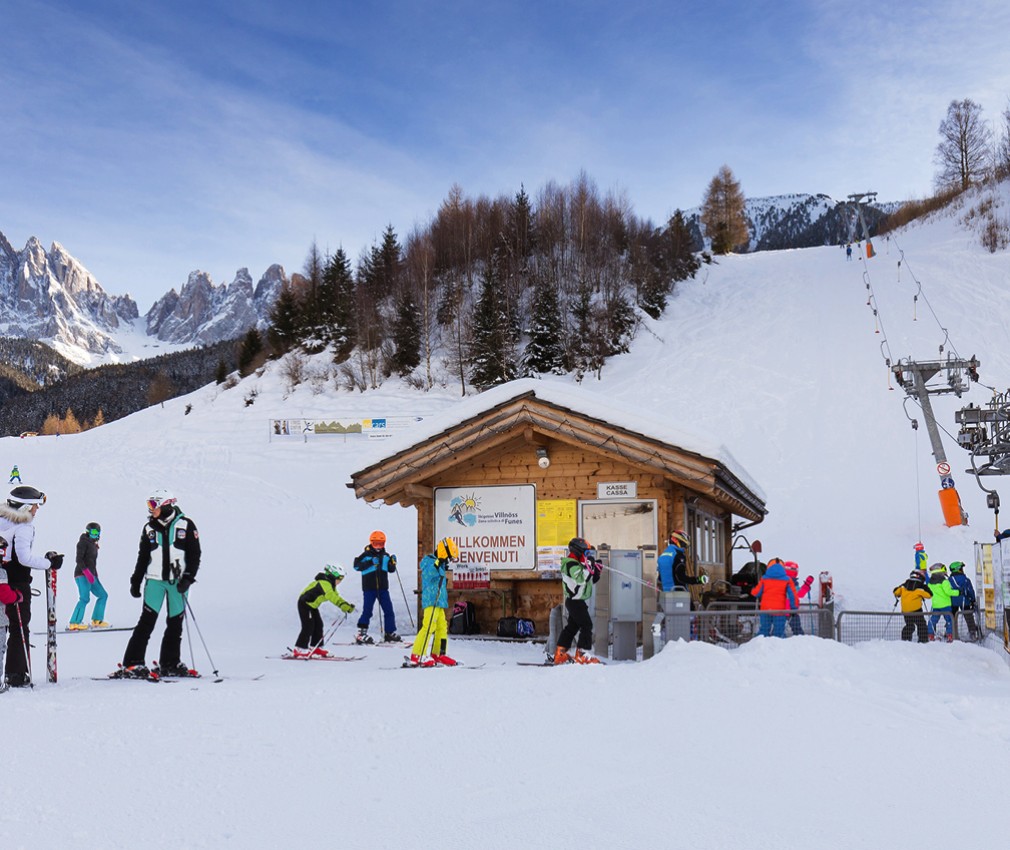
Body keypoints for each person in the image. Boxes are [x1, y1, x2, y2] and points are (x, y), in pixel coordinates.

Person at [117, 489, 201, 678]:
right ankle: (133, 663)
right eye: (149, 505)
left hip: (177, 582)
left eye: (153, 505)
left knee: (175, 624)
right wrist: (136, 580)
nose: (150, 509)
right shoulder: (149, 528)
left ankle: (170, 662)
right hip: (155, 581)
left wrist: (188, 578)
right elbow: (143, 556)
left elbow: (195, 555)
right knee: (146, 623)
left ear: (166, 505)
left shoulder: (186, 525)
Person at [0, 486, 63, 687]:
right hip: (16, 583)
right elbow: (24, 558)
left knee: (3, 626)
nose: (36, 510)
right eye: (35, 506)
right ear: (25, 507)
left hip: (1, 578)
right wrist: (49, 563)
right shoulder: (23, 526)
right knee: (19, 627)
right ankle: (16, 673)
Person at [408, 537, 461, 667]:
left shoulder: (440, 565)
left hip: (439, 601)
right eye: (448, 558)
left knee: (442, 626)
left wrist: (441, 564)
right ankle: (418, 654)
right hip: (431, 600)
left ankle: (439, 653)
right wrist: (438, 563)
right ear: (443, 553)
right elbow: (428, 575)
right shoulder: (429, 562)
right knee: (429, 626)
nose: (449, 561)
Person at [553, 537, 603, 664]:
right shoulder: (570, 564)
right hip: (574, 601)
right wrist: (589, 566)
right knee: (586, 625)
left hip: (577, 601)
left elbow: (588, 580)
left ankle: (560, 653)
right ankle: (582, 654)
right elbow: (581, 579)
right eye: (586, 552)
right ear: (578, 551)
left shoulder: (577, 563)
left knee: (572, 627)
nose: (587, 555)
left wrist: (595, 571)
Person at [292, 564, 356, 658]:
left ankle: (315, 647)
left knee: (319, 625)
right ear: (332, 576)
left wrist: (345, 604)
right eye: (339, 578)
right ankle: (299, 649)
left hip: (312, 606)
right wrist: (342, 605)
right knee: (308, 626)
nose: (340, 581)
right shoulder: (324, 583)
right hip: (305, 604)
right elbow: (331, 596)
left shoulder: (330, 585)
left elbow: (336, 596)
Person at [353, 530, 400, 644]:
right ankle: (361, 633)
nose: (378, 547)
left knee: (389, 610)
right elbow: (356, 566)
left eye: (381, 544)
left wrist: (392, 563)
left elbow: (391, 570)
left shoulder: (385, 556)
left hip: (383, 588)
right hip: (369, 588)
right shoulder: (365, 555)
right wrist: (370, 562)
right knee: (367, 611)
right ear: (371, 543)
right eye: (376, 544)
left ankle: (389, 633)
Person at [69, 522, 109, 630]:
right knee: (84, 598)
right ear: (88, 532)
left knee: (103, 595)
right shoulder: (82, 543)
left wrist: (94, 574)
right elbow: (79, 559)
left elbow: (92, 562)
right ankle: (74, 623)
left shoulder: (93, 544)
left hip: (92, 575)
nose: (95, 535)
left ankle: (97, 620)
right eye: (93, 532)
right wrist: (86, 572)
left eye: (97, 532)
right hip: (82, 575)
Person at [750, 560, 796, 637]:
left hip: (765, 609)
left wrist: (753, 590)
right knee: (779, 632)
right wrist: (794, 608)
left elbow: (756, 593)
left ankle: (761, 643)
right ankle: (778, 643)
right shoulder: (787, 580)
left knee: (764, 630)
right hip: (779, 610)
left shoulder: (764, 579)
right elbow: (793, 595)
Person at [893, 568, 932, 643]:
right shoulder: (920, 586)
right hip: (916, 610)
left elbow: (896, 592)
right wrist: (926, 588)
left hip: (905, 610)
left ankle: (905, 640)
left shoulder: (904, 585)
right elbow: (929, 595)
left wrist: (898, 590)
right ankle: (923, 640)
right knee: (921, 625)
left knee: (910, 625)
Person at [926, 563, 959, 642]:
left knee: (933, 620)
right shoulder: (944, 581)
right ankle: (950, 635)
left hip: (936, 605)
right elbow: (948, 592)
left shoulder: (930, 582)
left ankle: (930, 635)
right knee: (949, 620)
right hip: (945, 605)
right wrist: (958, 592)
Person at [947, 561, 980, 641]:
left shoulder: (949, 580)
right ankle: (972, 633)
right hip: (964, 601)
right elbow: (970, 590)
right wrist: (973, 600)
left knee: (952, 617)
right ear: (959, 569)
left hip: (952, 602)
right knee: (968, 617)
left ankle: (950, 633)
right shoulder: (965, 579)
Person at [784, 561, 814, 635]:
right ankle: (801, 640)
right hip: (792, 611)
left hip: (782, 611)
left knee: (779, 630)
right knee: (798, 631)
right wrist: (806, 585)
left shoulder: (782, 582)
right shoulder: (791, 584)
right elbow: (800, 594)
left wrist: (806, 586)